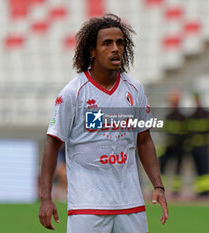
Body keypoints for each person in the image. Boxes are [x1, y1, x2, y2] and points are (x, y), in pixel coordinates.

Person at [39, 14, 168, 233]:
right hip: (87, 206)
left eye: (120, 43)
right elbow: (52, 145)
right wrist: (45, 198)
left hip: (130, 204)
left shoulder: (134, 90)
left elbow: (144, 140)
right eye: (107, 43)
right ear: (92, 50)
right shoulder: (73, 93)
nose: (115, 48)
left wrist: (158, 185)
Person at [159, 90, 188, 196]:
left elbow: (186, 133)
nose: (173, 105)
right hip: (169, 145)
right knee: (162, 166)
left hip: (179, 146)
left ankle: (176, 189)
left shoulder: (183, 118)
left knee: (178, 169)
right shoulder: (168, 116)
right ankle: (160, 187)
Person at [187, 92, 209, 198]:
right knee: (198, 169)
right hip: (195, 147)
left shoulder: (207, 115)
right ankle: (200, 190)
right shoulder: (192, 116)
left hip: (204, 146)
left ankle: (207, 191)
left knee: (205, 169)